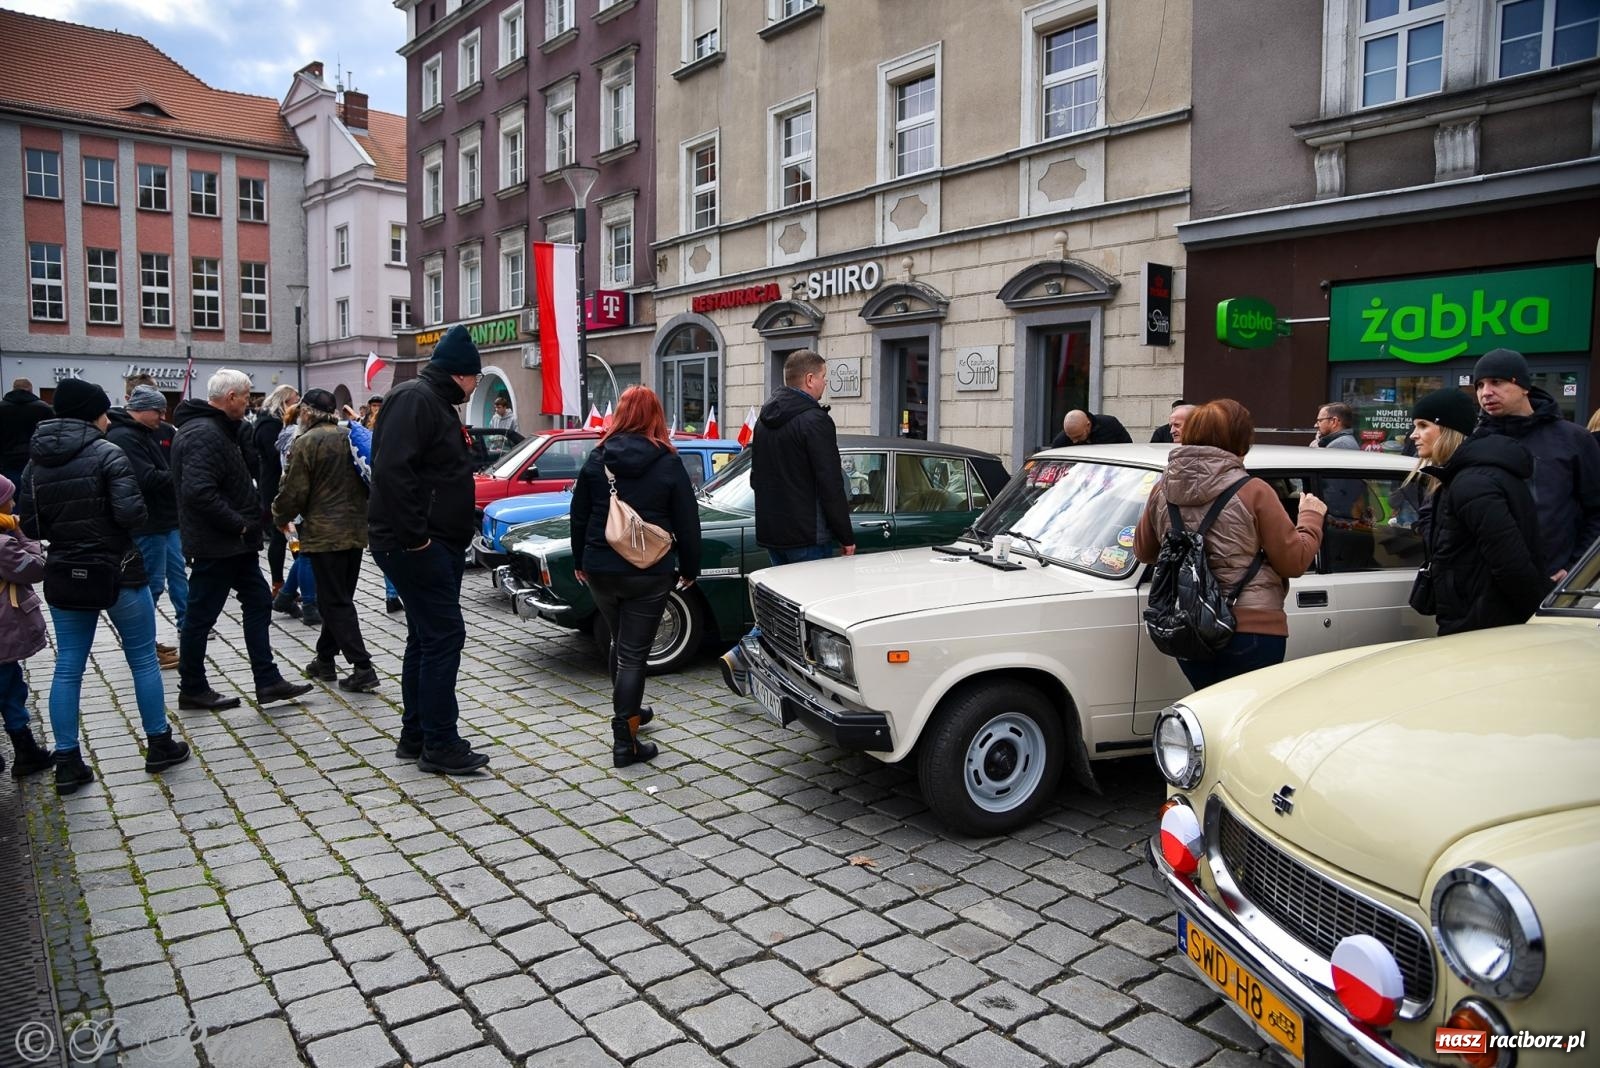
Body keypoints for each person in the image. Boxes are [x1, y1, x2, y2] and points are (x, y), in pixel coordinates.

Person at [18, 379, 190, 793]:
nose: (107, 420)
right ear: (91, 414)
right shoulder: (107, 452)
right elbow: (132, 515)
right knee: (143, 660)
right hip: (117, 568)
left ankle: (67, 761)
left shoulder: (34, 463)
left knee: (68, 666)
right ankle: (159, 743)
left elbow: (31, 526)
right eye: (102, 412)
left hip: (65, 570)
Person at [1133, 399, 1327, 690]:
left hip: (1189, 627)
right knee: (1250, 711)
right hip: (1251, 627)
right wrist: (1311, 518)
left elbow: (1145, 552)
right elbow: (1294, 562)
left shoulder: (1161, 489)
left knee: (1209, 708)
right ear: (1240, 441)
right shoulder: (1254, 491)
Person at [369, 325, 488, 775]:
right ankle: (439, 741)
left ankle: (417, 735)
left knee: (424, 637)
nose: (475, 386)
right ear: (461, 374)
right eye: (475, 377)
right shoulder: (417, 399)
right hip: (419, 545)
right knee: (443, 637)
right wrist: (416, 537)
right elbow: (392, 472)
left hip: (432, 541)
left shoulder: (432, 401)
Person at [569, 386, 701, 768]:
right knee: (633, 654)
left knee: (620, 643)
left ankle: (631, 711)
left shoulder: (598, 458)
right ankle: (625, 743)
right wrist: (690, 567)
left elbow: (578, 514)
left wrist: (580, 559)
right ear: (655, 416)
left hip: (601, 567)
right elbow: (687, 520)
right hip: (649, 571)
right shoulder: (668, 461)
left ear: (621, 415)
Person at [170, 369, 313, 712]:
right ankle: (193, 686)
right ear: (231, 397)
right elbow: (198, 492)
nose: (250, 402)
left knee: (259, 601)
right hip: (219, 543)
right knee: (200, 616)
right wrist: (239, 526)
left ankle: (267, 680)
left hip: (235, 544)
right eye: (247, 396)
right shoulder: (204, 433)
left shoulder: (221, 429)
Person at [719, 349, 856, 696]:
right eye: (823, 378)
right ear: (809, 379)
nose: (825, 384)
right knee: (809, 614)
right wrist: (846, 535)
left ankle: (750, 661)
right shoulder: (815, 421)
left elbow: (756, 479)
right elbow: (830, 483)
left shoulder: (765, 419)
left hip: (773, 530)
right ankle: (785, 675)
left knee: (780, 607)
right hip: (809, 532)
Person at [1406, 387, 1550, 635]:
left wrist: (1534, 622)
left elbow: (1511, 564)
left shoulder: (1472, 483)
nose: (1413, 435)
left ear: (1448, 429)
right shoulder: (1464, 477)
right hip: (1476, 619)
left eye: (1423, 425)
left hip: (1482, 626)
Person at [273, 389, 379, 693]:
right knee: (339, 597)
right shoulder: (350, 437)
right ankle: (324, 659)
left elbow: (294, 491)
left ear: (307, 412)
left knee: (334, 601)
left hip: (324, 533)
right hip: (355, 530)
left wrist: (279, 515)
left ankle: (363, 668)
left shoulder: (306, 442)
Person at [1472, 348, 1600, 579]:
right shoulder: (1476, 443)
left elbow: (1596, 510)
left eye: (1496, 382)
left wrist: (1575, 567)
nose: (1486, 392)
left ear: (1524, 386)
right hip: (1488, 585)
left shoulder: (1573, 439)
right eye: (1480, 385)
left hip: (1551, 583)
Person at [106, 386, 185, 670]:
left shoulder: (139, 433)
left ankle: (146, 642)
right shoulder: (125, 437)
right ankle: (143, 646)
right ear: (140, 408)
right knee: (149, 587)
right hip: (147, 523)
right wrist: (179, 474)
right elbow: (146, 478)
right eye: (158, 411)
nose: (162, 417)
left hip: (157, 521)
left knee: (155, 585)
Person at [0, 474, 55, 779]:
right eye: (9, 498)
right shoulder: (3, 544)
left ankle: (26, 753)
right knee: (9, 690)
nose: (13, 502)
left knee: (10, 687)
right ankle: (25, 752)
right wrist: (23, 534)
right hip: (2, 633)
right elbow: (36, 568)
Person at [270, 403, 321, 627]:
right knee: (306, 554)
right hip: (299, 506)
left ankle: (285, 595)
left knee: (302, 553)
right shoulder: (298, 438)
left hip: (290, 504)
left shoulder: (287, 435)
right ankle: (309, 604)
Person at [255, 384, 298, 595]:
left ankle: (291, 584)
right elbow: (275, 457)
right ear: (284, 401)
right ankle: (279, 584)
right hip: (274, 487)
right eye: (295, 400)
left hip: (279, 484)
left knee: (292, 536)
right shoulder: (269, 425)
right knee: (280, 536)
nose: (298, 404)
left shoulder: (273, 422)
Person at [0, 378, 53, 486]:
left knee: (10, 494)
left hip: (7, 464)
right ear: (31, 390)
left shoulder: (2, 408)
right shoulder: (44, 408)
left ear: (13, 389)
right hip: (37, 462)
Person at [1051, 409, 1133, 448]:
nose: (1074, 441)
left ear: (1088, 425)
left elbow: (1128, 448)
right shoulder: (1061, 441)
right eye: (1070, 437)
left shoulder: (1110, 425)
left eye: (1078, 436)